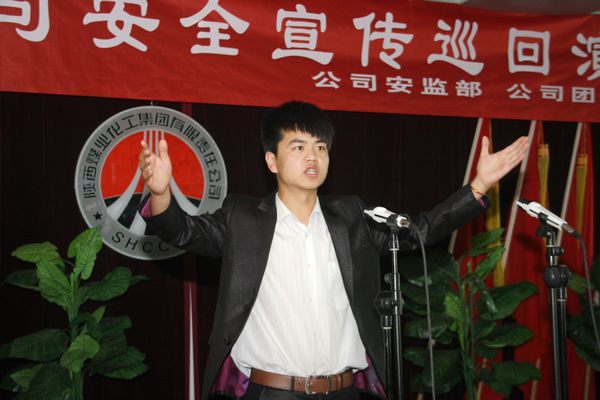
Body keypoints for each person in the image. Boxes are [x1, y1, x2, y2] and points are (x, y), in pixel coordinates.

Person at [138, 101, 529, 400]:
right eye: (298, 146)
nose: (313, 156)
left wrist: (478, 186)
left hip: (343, 391)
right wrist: (161, 194)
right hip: (272, 393)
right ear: (272, 160)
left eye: (320, 147)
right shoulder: (242, 220)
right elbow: (184, 232)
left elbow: (420, 230)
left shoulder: (351, 218)